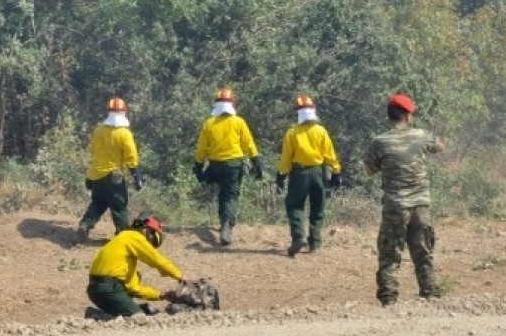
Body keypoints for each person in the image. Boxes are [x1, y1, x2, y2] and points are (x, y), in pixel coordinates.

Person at [364, 94, 445, 306]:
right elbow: (440, 146)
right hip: (420, 206)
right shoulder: (421, 136)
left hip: (395, 207)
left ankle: (389, 300)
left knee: (390, 255)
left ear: (390, 116)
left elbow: (369, 170)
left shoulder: (379, 142)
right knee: (423, 253)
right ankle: (430, 295)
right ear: (408, 116)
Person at [192, 88, 262, 245]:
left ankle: (223, 222)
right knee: (230, 195)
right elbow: (249, 144)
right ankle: (227, 225)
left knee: (222, 193)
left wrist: (198, 166)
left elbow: (201, 149)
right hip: (234, 165)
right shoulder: (238, 122)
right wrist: (257, 163)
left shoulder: (209, 123)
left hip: (215, 165)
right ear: (232, 104)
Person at [276, 94, 341, 257]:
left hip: (299, 173)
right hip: (318, 172)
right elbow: (330, 155)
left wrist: (281, 176)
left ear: (298, 112)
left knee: (294, 205)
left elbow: (286, 158)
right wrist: (336, 172)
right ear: (313, 111)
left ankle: (299, 237)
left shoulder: (292, 132)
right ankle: (315, 243)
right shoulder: (321, 131)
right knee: (318, 207)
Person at [87, 216, 184, 318]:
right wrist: (181, 277)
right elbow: (156, 259)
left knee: (137, 278)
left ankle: (101, 315)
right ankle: (96, 317)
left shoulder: (123, 253)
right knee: (137, 317)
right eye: (153, 239)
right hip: (108, 289)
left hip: (97, 290)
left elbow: (134, 288)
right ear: (146, 230)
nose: (150, 245)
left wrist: (161, 295)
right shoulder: (133, 236)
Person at [77, 97, 142, 240]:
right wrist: (137, 176)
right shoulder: (124, 133)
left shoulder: (99, 130)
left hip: (96, 175)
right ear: (124, 112)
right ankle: (124, 236)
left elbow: (93, 151)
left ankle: (85, 225)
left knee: (98, 203)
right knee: (119, 206)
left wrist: (90, 176)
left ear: (108, 112)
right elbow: (131, 157)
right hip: (114, 177)